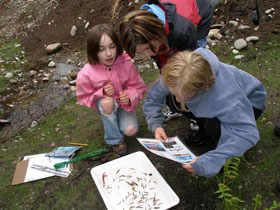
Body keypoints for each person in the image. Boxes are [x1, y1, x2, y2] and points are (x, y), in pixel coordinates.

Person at [142, 48, 266, 178]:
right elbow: (153, 97)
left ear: (200, 87)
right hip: (207, 99)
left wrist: (212, 161)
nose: (178, 99)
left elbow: (246, 132)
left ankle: (223, 150)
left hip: (249, 103)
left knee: (214, 127)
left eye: (185, 96)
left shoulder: (225, 97)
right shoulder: (176, 74)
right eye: (175, 93)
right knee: (175, 101)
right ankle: (203, 127)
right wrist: (156, 124)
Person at [119, 0, 213, 127]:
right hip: (170, 28)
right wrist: (164, 74)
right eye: (140, 52)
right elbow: (160, 59)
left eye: (147, 49)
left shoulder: (183, 31)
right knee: (168, 72)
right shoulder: (142, 28)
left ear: (157, 35)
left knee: (189, 72)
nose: (146, 55)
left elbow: (190, 63)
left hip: (198, 15)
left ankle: (197, 110)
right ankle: (174, 107)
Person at [76, 24, 147, 156]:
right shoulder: (85, 74)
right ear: (93, 50)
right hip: (106, 105)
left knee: (130, 131)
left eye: (112, 47)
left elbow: (138, 86)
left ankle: (118, 120)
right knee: (107, 103)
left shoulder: (126, 63)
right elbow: (83, 97)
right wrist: (101, 92)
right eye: (101, 49)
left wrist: (129, 96)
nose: (109, 54)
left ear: (117, 46)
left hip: (124, 105)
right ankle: (115, 140)